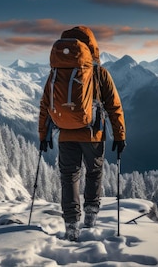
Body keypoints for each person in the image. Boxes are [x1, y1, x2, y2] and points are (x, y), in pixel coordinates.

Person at [38, 26, 126, 242]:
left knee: (69, 176)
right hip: (93, 134)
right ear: (92, 46)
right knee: (94, 174)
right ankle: (91, 216)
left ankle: (71, 224)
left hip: (66, 133)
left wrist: (44, 135)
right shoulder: (99, 73)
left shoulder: (56, 73)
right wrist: (120, 135)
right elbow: (114, 106)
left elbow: (45, 105)